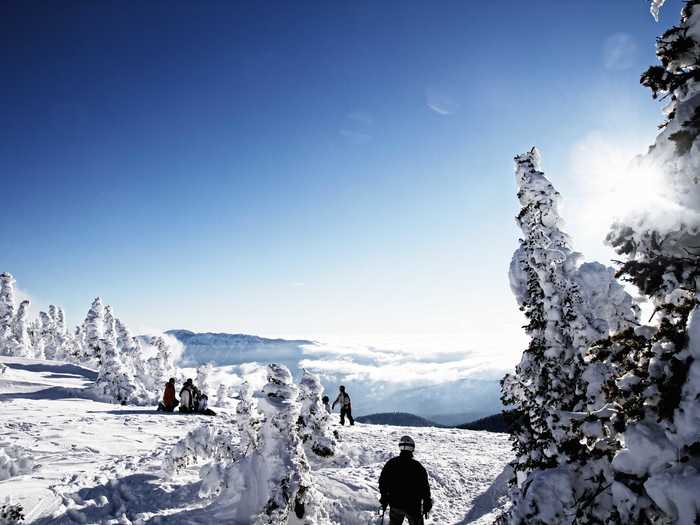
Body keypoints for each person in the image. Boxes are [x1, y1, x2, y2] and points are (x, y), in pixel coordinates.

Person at [378, 436, 432, 525]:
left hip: (395, 504)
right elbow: (424, 487)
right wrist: (427, 502)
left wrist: (384, 497)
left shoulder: (391, 463)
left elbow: (383, 482)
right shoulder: (417, 466)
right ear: (412, 449)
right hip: (413, 506)